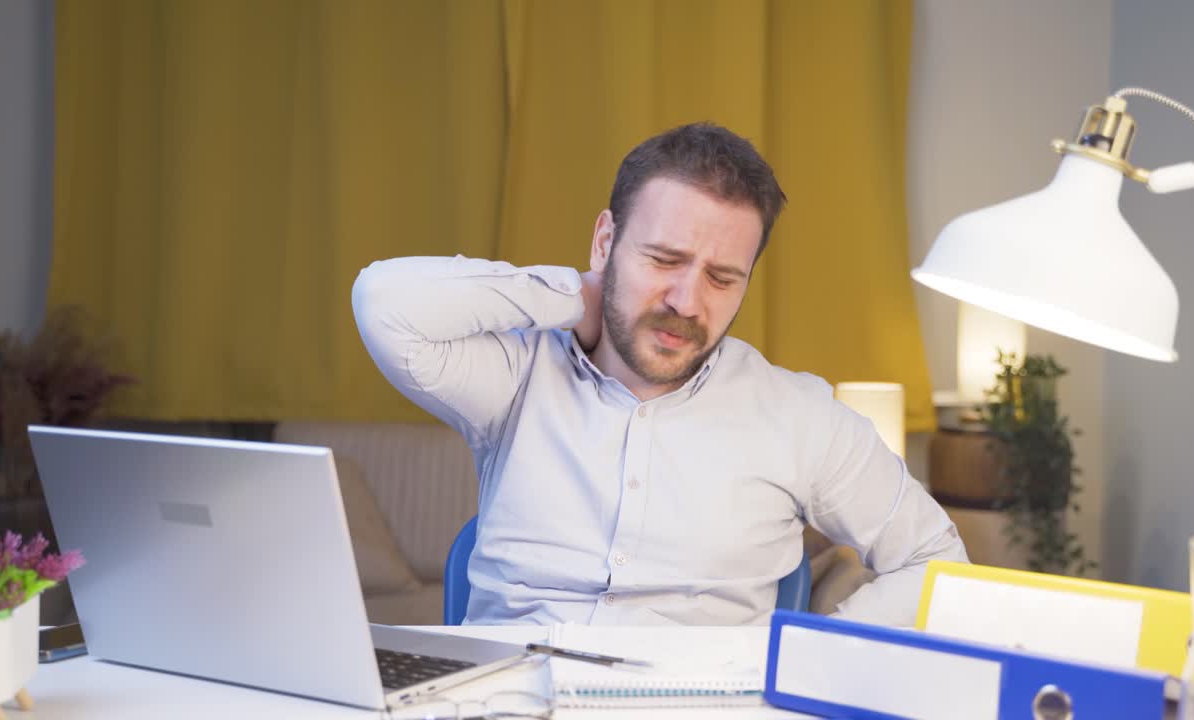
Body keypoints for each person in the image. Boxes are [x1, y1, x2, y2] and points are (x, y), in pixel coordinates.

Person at [352, 122, 966, 627]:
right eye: (662, 260)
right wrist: (578, 295)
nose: (687, 301)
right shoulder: (514, 378)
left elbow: (936, 561)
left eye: (722, 278)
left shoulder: (800, 417)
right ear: (605, 240)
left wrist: (815, 657)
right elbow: (386, 303)